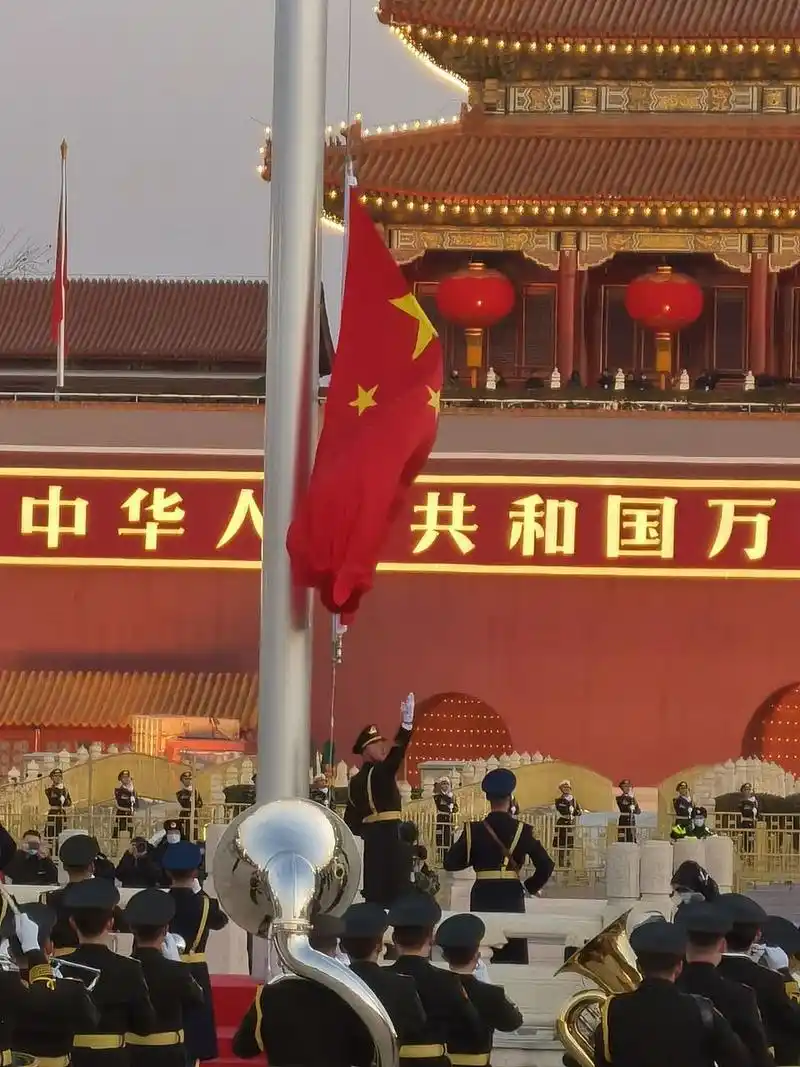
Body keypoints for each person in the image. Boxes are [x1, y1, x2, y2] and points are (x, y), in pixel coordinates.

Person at [594, 918, 749, 1067]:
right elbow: (739, 1061)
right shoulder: (702, 1011)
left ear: (638, 966)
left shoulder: (613, 1009)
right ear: (679, 967)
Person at [443, 768, 554, 964]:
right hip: (511, 894)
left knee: (483, 947)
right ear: (511, 798)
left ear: (487, 798)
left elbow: (450, 863)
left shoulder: (473, 830)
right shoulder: (523, 830)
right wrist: (529, 887)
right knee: (513, 948)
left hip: (483, 893)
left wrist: (474, 856)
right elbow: (546, 864)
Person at [232, 915, 374, 1067]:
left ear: (296, 949)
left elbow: (244, 1048)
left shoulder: (269, 996)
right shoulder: (348, 995)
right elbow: (363, 1056)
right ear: (333, 951)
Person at [59, 877, 157, 1067]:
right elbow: (145, 1025)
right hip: (114, 1059)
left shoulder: (61, 967)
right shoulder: (129, 968)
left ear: (72, 923)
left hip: (72, 1058)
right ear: (110, 923)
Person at [387, 893, 484, 1067]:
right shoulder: (447, 980)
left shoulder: (382, 978)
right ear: (431, 938)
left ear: (394, 939)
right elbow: (473, 1028)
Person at [675, 900, 773, 1067]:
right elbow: (758, 1058)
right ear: (722, 945)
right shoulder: (741, 996)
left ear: (683, 944)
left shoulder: (671, 989)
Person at [344, 693, 415, 907]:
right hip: (393, 839)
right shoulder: (381, 772)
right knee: (398, 896)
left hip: (372, 845)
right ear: (365, 750)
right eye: (377, 744)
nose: (383, 747)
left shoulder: (354, 782)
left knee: (374, 898)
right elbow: (398, 753)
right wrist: (406, 726)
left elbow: (352, 824)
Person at [9, 901, 100, 1065]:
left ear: (9, 952)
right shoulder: (71, 989)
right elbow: (91, 1022)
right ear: (49, 947)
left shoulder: (6, 987)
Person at [163, 840, 228, 1063]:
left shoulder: (160, 902)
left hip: (165, 968)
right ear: (194, 872)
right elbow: (221, 921)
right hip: (195, 970)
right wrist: (202, 893)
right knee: (193, 1031)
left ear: (167, 872)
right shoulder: (206, 905)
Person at [124, 888, 204, 1067]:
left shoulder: (122, 967)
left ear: (132, 930)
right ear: (166, 929)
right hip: (169, 1055)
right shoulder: (175, 970)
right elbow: (198, 999)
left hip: (131, 1053)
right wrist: (179, 965)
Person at [717, 893, 800, 1065]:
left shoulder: (697, 972)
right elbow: (793, 1022)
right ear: (757, 935)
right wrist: (783, 972)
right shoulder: (769, 980)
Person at [435, 913, 523, 1066]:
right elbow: (513, 1023)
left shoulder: (433, 987)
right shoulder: (491, 993)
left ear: (444, 956)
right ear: (477, 956)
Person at [341, 902, 427, 1046]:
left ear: (342, 947)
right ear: (380, 946)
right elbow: (416, 1028)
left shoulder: (333, 983)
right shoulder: (401, 985)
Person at [44, 833, 128, 954]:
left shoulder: (49, 899)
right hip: (98, 962)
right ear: (92, 867)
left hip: (61, 964)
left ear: (65, 868)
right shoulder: (104, 898)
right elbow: (124, 925)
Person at [553, 780, 582, 867]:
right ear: (561, 789)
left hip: (571, 823)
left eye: (567, 788)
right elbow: (562, 810)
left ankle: (569, 863)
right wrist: (569, 809)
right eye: (564, 788)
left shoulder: (574, 799)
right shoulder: (559, 800)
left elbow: (579, 811)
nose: (566, 789)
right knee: (561, 844)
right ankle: (561, 864)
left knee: (569, 844)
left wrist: (576, 811)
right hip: (562, 823)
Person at [45, 768, 73, 844]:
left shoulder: (65, 790)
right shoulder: (49, 790)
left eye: (60, 776)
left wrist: (64, 800)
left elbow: (69, 802)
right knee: (51, 832)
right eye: (55, 776)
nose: (58, 778)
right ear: (52, 778)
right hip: (53, 812)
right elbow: (52, 801)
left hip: (62, 813)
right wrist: (59, 793)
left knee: (61, 832)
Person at [433, 778, 459, 855]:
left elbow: (456, 808)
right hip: (441, 818)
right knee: (440, 836)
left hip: (449, 818)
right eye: (443, 784)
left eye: (447, 784)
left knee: (449, 837)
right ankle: (441, 853)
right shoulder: (437, 797)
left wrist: (453, 807)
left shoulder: (452, 797)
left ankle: (449, 853)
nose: (445, 786)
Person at [175, 772, 203, 841]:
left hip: (194, 815)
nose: (188, 780)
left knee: (194, 834)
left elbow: (200, 803)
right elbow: (184, 804)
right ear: (182, 780)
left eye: (190, 779)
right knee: (185, 834)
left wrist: (195, 803)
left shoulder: (196, 791)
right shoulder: (180, 793)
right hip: (185, 815)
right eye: (186, 779)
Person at [113, 770, 138, 840]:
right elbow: (117, 804)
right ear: (121, 779)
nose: (126, 779)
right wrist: (127, 809)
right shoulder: (118, 790)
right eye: (124, 777)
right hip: (121, 815)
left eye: (128, 777)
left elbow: (136, 804)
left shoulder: (133, 791)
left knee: (130, 834)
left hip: (130, 816)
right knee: (120, 833)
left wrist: (133, 809)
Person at [738, 784, 758, 855]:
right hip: (744, 822)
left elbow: (756, 810)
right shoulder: (741, 801)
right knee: (744, 838)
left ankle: (750, 854)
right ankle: (745, 853)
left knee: (751, 839)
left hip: (752, 822)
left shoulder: (754, 800)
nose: (748, 791)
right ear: (743, 791)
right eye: (746, 789)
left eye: (749, 789)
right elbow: (744, 811)